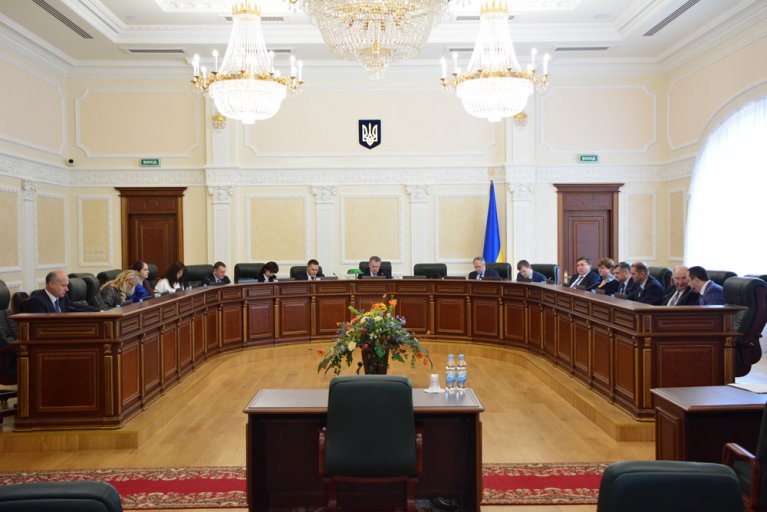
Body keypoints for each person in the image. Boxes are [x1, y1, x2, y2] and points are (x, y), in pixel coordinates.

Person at [25, 270, 100, 313]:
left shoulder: (62, 297)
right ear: (51, 284)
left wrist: (99, 312)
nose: (67, 289)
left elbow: (76, 307)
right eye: (64, 285)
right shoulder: (37, 301)